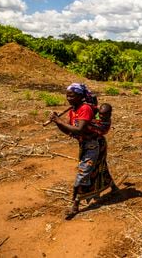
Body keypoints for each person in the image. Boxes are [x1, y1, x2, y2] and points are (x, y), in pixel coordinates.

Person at [49, 83, 119, 219]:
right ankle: (114, 187)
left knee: (83, 172)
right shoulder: (73, 110)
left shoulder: (85, 108)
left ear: (81, 96)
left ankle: (75, 204)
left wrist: (59, 120)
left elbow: (80, 129)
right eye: (67, 95)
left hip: (93, 145)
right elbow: (69, 130)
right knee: (100, 167)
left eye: (72, 95)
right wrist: (57, 122)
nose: (68, 98)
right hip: (85, 145)